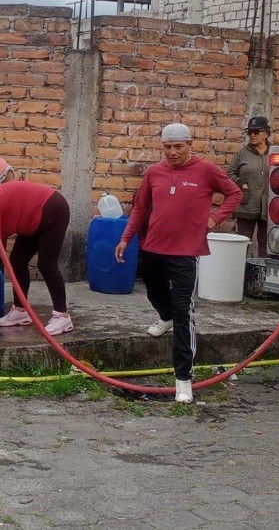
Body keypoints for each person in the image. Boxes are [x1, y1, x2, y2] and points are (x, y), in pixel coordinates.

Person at [114, 123, 242, 404]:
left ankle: (183, 379)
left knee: (184, 312)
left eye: (178, 147)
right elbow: (140, 209)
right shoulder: (154, 173)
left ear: (189, 144)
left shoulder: (206, 170)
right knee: (153, 291)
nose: (172, 152)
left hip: (185, 252)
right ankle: (165, 316)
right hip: (154, 246)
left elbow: (234, 194)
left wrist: (214, 219)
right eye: (167, 147)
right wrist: (126, 238)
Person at [0, 181, 74, 335]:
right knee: (17, 260)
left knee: (46, 264)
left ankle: (62, 316)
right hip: (31, 219)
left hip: (53, 209)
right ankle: (20, 311)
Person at [228, 116, 272, 257]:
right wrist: (242, 183)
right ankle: (241, 273)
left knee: (266, 242)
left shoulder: (275, 153)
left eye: (256, 132)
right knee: (243, 240)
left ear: (266, 133)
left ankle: (263, 274)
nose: (252, 135)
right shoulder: (242, 154)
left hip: (269, 205)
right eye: (249, 132)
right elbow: (229, 172)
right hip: (247, 204)